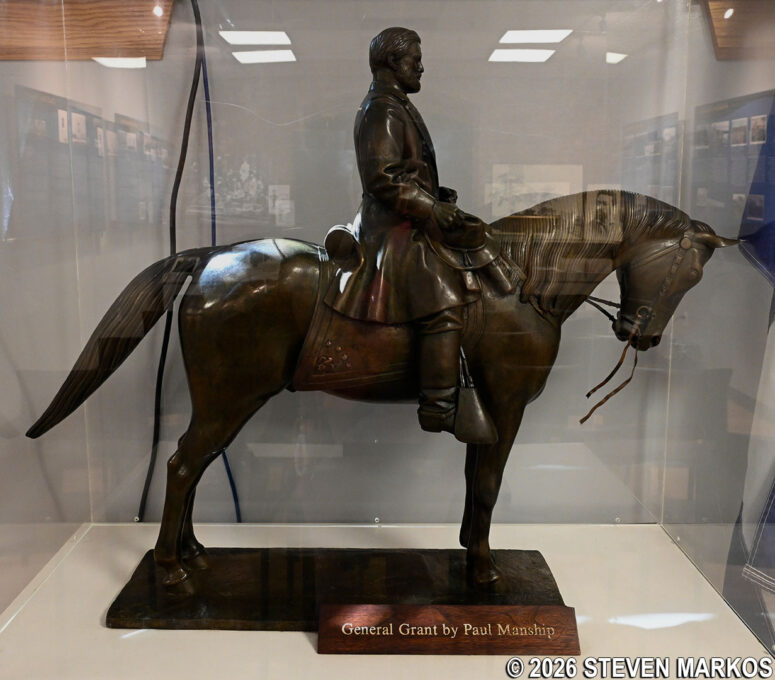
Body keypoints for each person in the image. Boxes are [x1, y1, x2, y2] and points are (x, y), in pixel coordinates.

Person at [326, 27, 481, 438]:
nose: (421, 66)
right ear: (393, 63)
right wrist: (431, 208)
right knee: (443, 296)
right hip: (392, 226)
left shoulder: (396, 105)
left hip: (408, 215)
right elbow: (383, 178)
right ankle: (439, 404)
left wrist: (437, 198)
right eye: (414, 59)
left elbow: (406, 172)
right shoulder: (382, 109)